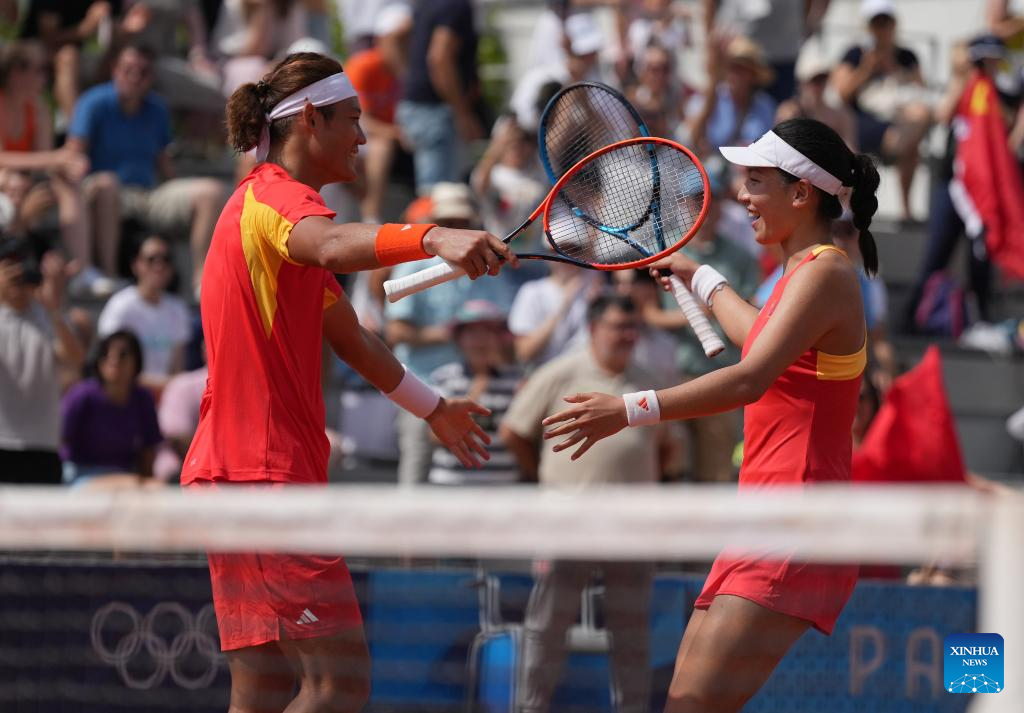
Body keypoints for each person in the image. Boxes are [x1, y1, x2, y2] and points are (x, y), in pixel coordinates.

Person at [181, 51, 514, 713]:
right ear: (310, 120)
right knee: (339, 685)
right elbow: (334, 247)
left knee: (264, 689)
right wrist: (432, 236)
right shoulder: (278, 202)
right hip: (267, 480)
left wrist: (434, 408)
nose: (365, 137)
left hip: (231, 478)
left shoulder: (263, 211)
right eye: (354, 120)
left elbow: (351, 338)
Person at [541, 118, 880, 712]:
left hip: (798, 524)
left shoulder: (825, 271)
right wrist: (698, 274)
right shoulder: (799, 272)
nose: (742, 196)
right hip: (766, 518)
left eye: (755, 182)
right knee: (686, 703)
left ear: (801, 193)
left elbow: (750, 378)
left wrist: (628, 409)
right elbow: (760, 340)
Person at [500, 294, 669, 713]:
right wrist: (543, 478)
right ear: (594, 329)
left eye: (633, 329)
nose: (628, 336)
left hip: (632, 530)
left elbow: (669, 448)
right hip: (566, 523)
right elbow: (513, 431)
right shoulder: (560, 372)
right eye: (618, 327)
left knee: (632, 634)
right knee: (546, 627)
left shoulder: (650, 381)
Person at [67, 42, 226, 293]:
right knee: (108, 184)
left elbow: (164, 164)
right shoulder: (93, 102)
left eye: (143, 72)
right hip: (102, 191)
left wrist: (175, 187)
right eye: (128, 69)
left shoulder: (158, 109)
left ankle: (200, 282)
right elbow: (72, 155)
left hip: (146, 194)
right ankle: (107, 275)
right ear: (114, 70)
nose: (135, 77)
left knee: (212, 192)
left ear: (150, 77)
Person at [832, 0, 931, 222]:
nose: (882, 28)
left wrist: (894, 69)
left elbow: (921, 90)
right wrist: (867, 69)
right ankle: (900, 205)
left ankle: (905, 209)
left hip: (898, 121)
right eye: (877, 23)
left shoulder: (906, 56)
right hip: (862, 122)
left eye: (886, 22)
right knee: (912, 142)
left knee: (914, 133)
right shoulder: (855, 54)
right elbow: (842, 93)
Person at [0, 244, 84, 484]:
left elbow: (75, 359)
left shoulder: (48, 317)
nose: (17, 275)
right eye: (8, 268)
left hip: (43, 445)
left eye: (22, 268)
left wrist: (53, 309)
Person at [427, 300, 523, 485]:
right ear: (459, 339)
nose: (480, 340)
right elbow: (433, 436)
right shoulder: (443, 378)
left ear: (498, 338)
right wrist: (476, 391)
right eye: (472, 332)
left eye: (488, 332)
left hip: (503, 485)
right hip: (452, 484)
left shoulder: (516, 381)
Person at [396, 0, 481, 191]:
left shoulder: (429, 4)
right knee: (438, 194)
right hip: (435, 110)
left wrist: (409, 77)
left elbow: (396, 35)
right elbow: (439, 58)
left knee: (437, 192)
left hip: (418, 107)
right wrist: (462, 113)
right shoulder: (456, 6)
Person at [60, 329, 163, 484]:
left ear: (137, 361)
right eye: (106, 354)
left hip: (126, 476)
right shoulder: (82, 395)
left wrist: (147, 480)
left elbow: (148, 449)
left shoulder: (143, 398)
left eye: (123, 355)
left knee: (156, 487)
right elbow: (61, 438)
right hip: (80, 474)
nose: (113, 360)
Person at [97, 234, 192, 395]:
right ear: (136, 265)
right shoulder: (120, 306)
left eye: (165, 259)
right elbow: (110, 364)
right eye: (151, 259)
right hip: (128, 395)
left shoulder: (178, 310)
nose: (159, 265)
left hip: (166, 397)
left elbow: (178, 367)